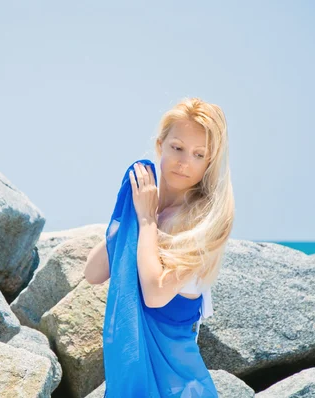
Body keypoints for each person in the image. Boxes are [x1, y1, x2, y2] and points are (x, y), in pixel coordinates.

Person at [84, 97, 234, 397]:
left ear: (209, 162)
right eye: (177, 147)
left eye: (198, 154)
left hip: (180, 386)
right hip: (136, 374)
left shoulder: (204, 224)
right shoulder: (147, 204)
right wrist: (132, 212)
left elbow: (155, 294)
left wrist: (145, 221)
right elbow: (93, 272)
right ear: (160, 145)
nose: (184, 161)